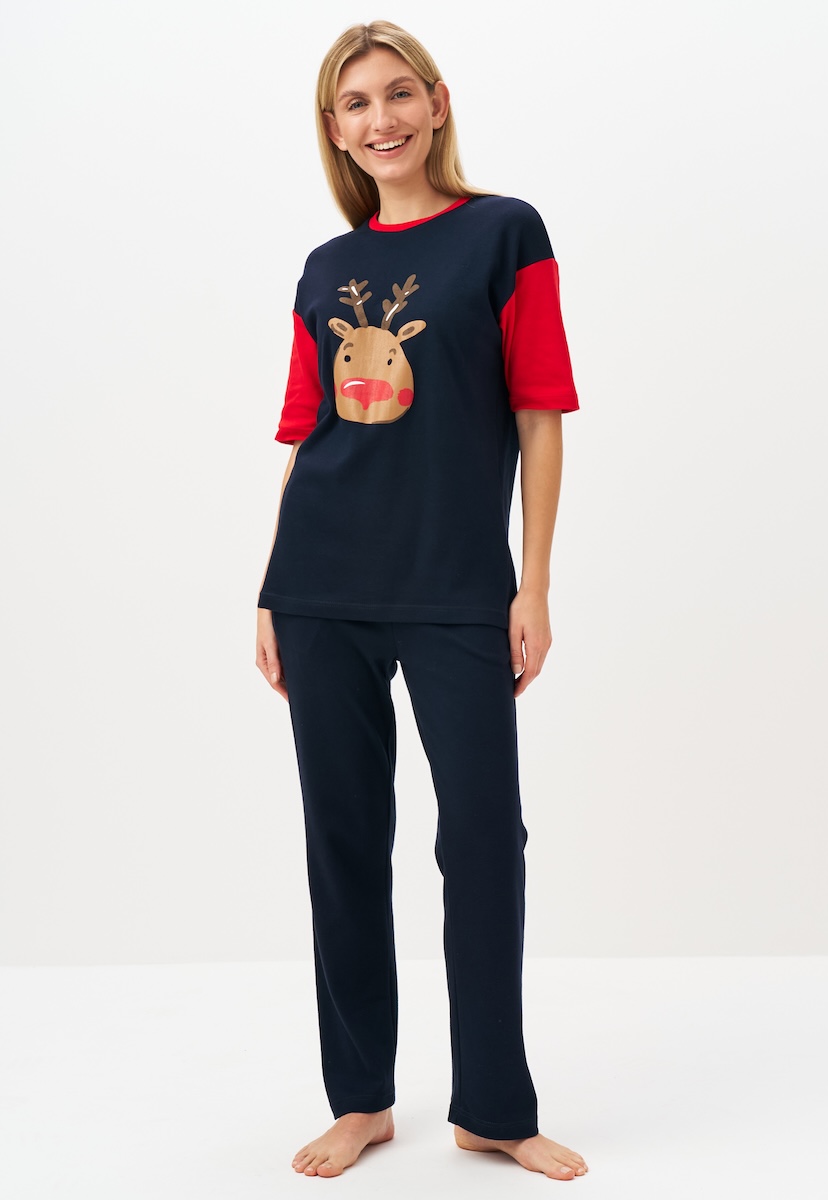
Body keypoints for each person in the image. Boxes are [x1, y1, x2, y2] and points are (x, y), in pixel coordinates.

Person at [255, 20, 587, 1182]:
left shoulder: (506, 233)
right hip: (321, 584)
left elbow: (540, 414)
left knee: (485, 838)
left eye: (398, 94)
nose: (381, 118)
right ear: (335, 129)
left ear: (437, 104)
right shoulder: (323, 269)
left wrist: (532, 581)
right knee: (343, 840)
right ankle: (361, 1100)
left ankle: (493, 1105)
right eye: (356, 104)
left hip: (456, 586)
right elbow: (306, 433)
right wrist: (270, 591)